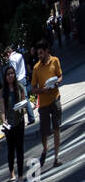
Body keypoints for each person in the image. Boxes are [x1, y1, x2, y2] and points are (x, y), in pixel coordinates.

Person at [30, 40, 63, 169]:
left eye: (41, 53)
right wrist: (41, 90)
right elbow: (33, 88)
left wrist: (56, 83)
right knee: (44, 133)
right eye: (38, 54)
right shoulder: (36, 68)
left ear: (47, 51)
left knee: (56, 129)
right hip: (43, 104)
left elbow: (60, 76)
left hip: (55, 99)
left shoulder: (55, 61)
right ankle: (45, 148)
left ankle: (56, 157)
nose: (39, 56)